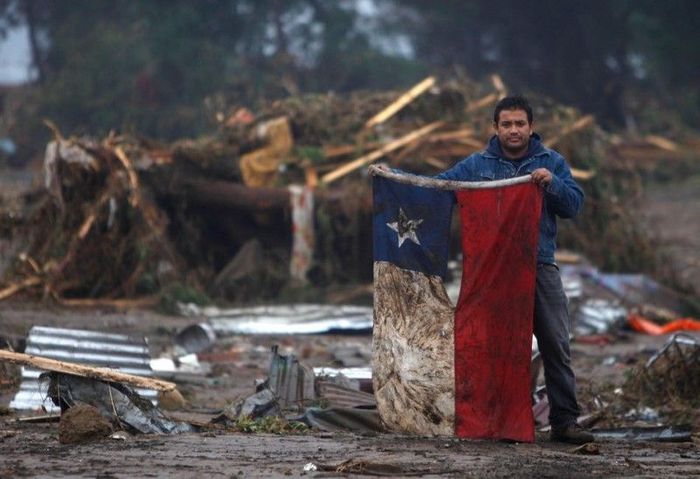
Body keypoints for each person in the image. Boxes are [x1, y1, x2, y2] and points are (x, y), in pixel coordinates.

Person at [433, 95, 592, 444]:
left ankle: (565, 421)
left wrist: (551, 183)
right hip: (493, 272)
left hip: (538, 265)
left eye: (520, 124)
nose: (514, 130)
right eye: (507, 124)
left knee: (555, 344)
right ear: (496, 128)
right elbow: (439, 190)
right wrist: (394, 181)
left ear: (531, 127)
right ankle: (493, 420)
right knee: (490, 345)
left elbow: (574, 205)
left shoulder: (551, 161)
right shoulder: (476, 165)